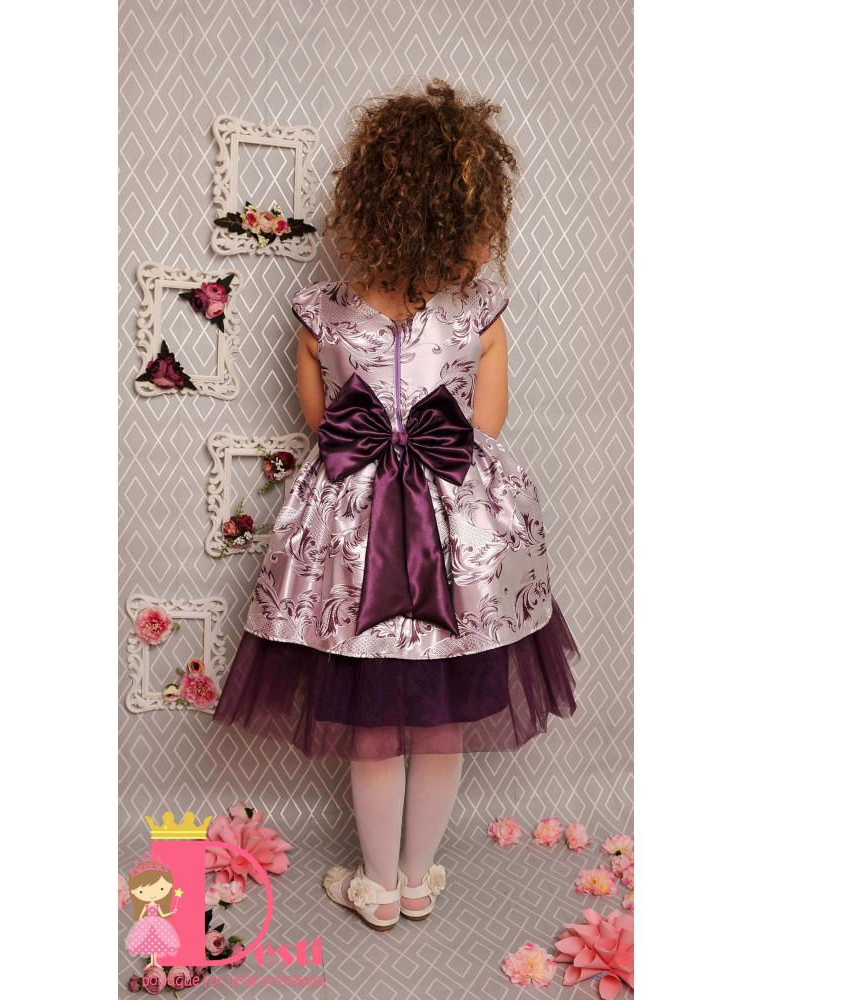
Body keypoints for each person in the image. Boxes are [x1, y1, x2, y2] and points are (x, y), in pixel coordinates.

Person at [213, 78, 580, 930]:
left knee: (373, 720)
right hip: (461, 544)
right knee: (442, 718)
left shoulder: (321, 312)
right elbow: (485, 428)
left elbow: (324, 429)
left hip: (353, 539)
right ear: (465, 214)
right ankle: (418, 879)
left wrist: (383, 438)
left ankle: (376, 885)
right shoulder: (482, 313)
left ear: (376, 203)